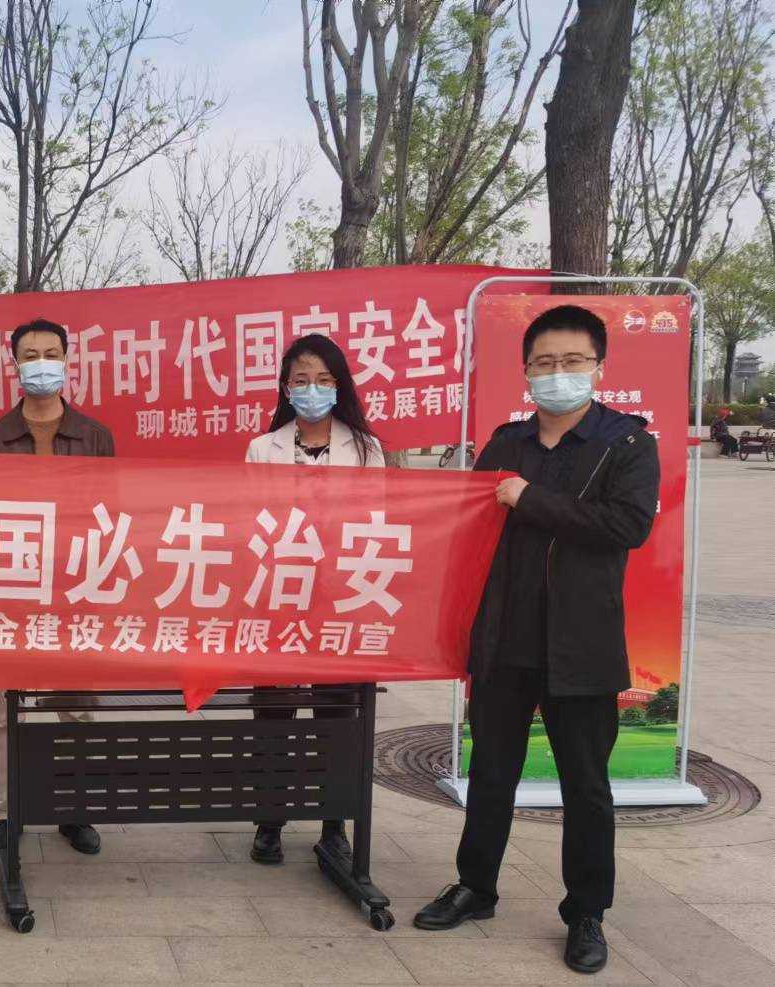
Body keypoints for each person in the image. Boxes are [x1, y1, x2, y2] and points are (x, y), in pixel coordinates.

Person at [412, 304, 658, 977]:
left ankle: (586, 912)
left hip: (582, 647)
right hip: (505, 639)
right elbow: (466, 529)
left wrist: (527, 499)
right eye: (544, 362)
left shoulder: (626, 444)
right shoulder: (506, 443)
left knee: (586, 785)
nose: (557, 373)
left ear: (599, 367)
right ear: (526, 371)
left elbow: (626, 526)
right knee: (491, 773)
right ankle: (476, 887)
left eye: (572, 361)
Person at [0, 318, 115, 858]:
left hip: (75, 596)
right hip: (8, 597)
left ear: (68, 360)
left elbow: (110, 518)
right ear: (15, 364)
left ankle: (74, 809)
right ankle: (9, 812)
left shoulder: (95, 437)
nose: (42, 363)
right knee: (4, 714)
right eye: (30, 355)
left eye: (51, 353)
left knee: (75, 710)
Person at [243, 333, 384, 866]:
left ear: (340, 385)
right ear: (285, 387)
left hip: (342, 600)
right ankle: (269, 821)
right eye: (301, 380)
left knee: (337, 714)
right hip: (280, 599)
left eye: (324, 379)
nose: (312, 389)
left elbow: (378, 524)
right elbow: (250, 521)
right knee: (274, 713)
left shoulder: (366, 449)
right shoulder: (263, 448)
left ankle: (333, 823)